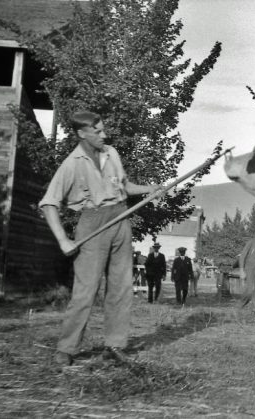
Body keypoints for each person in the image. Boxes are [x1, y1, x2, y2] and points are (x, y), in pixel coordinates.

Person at [39, 110, 161, 367]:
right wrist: (63, 240)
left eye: (103, 130)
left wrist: (149, 189)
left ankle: (115, 346)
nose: (104, 135)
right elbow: (49, 204)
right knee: (86, 291)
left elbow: (125, 187)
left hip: (121, 218)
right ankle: (66, 348)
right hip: (92, 224)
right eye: (98, 132)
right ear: (82, 133)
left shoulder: (111, 153)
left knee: (121, 286)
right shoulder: (72, 164)